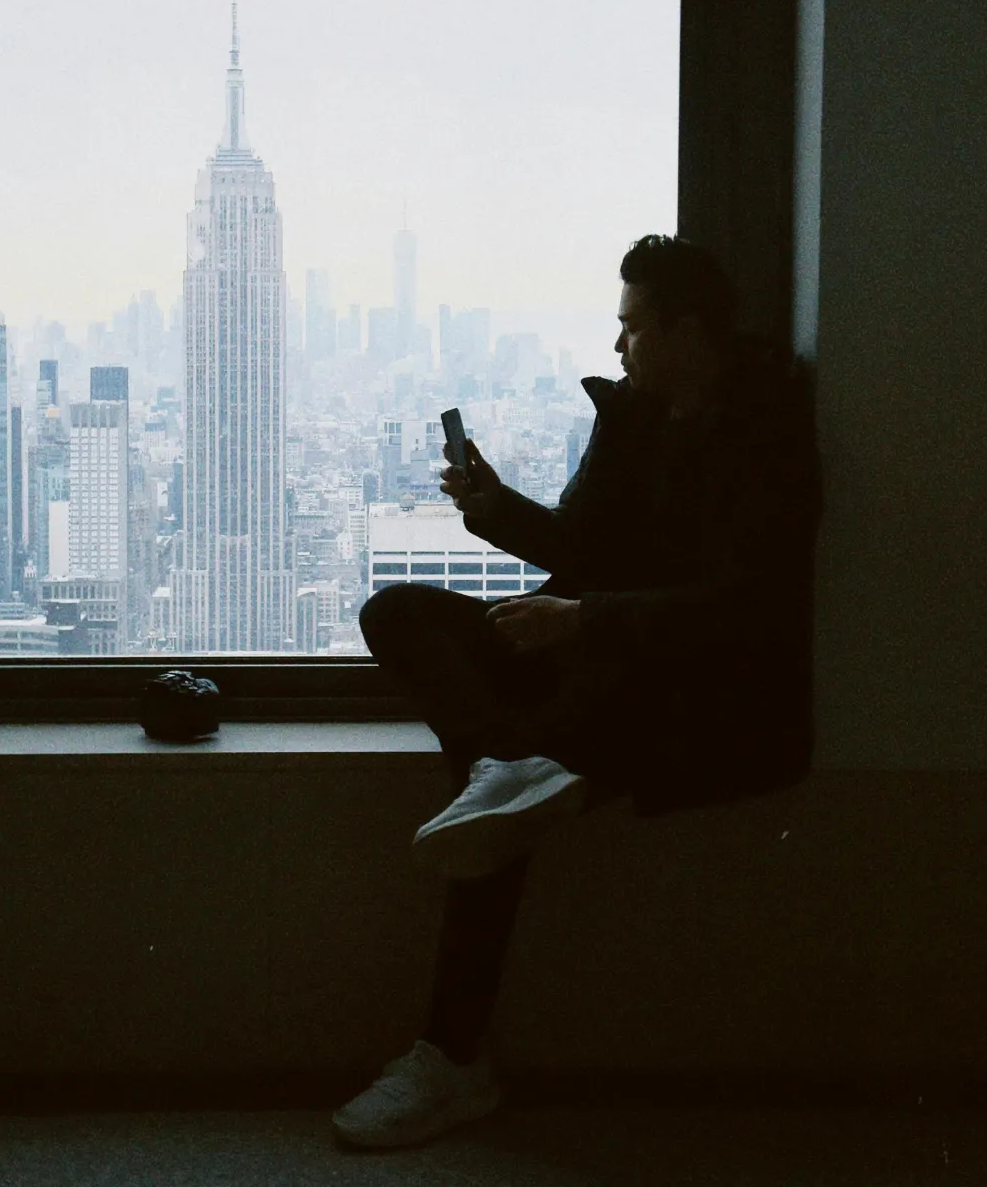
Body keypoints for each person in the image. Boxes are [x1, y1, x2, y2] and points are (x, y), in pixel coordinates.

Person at [332, 234, 823, 1150]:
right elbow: (583, 551)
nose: (618, 348)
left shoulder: (764, 430)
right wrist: (492, 506)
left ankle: (451, 1056)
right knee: (398, 612)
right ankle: (507, 766)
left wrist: (586, 620)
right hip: (594, 654)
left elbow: (745, 607)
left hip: (680, 686)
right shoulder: (631, 419)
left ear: (685, 331)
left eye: (632, 329)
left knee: (494, 826)